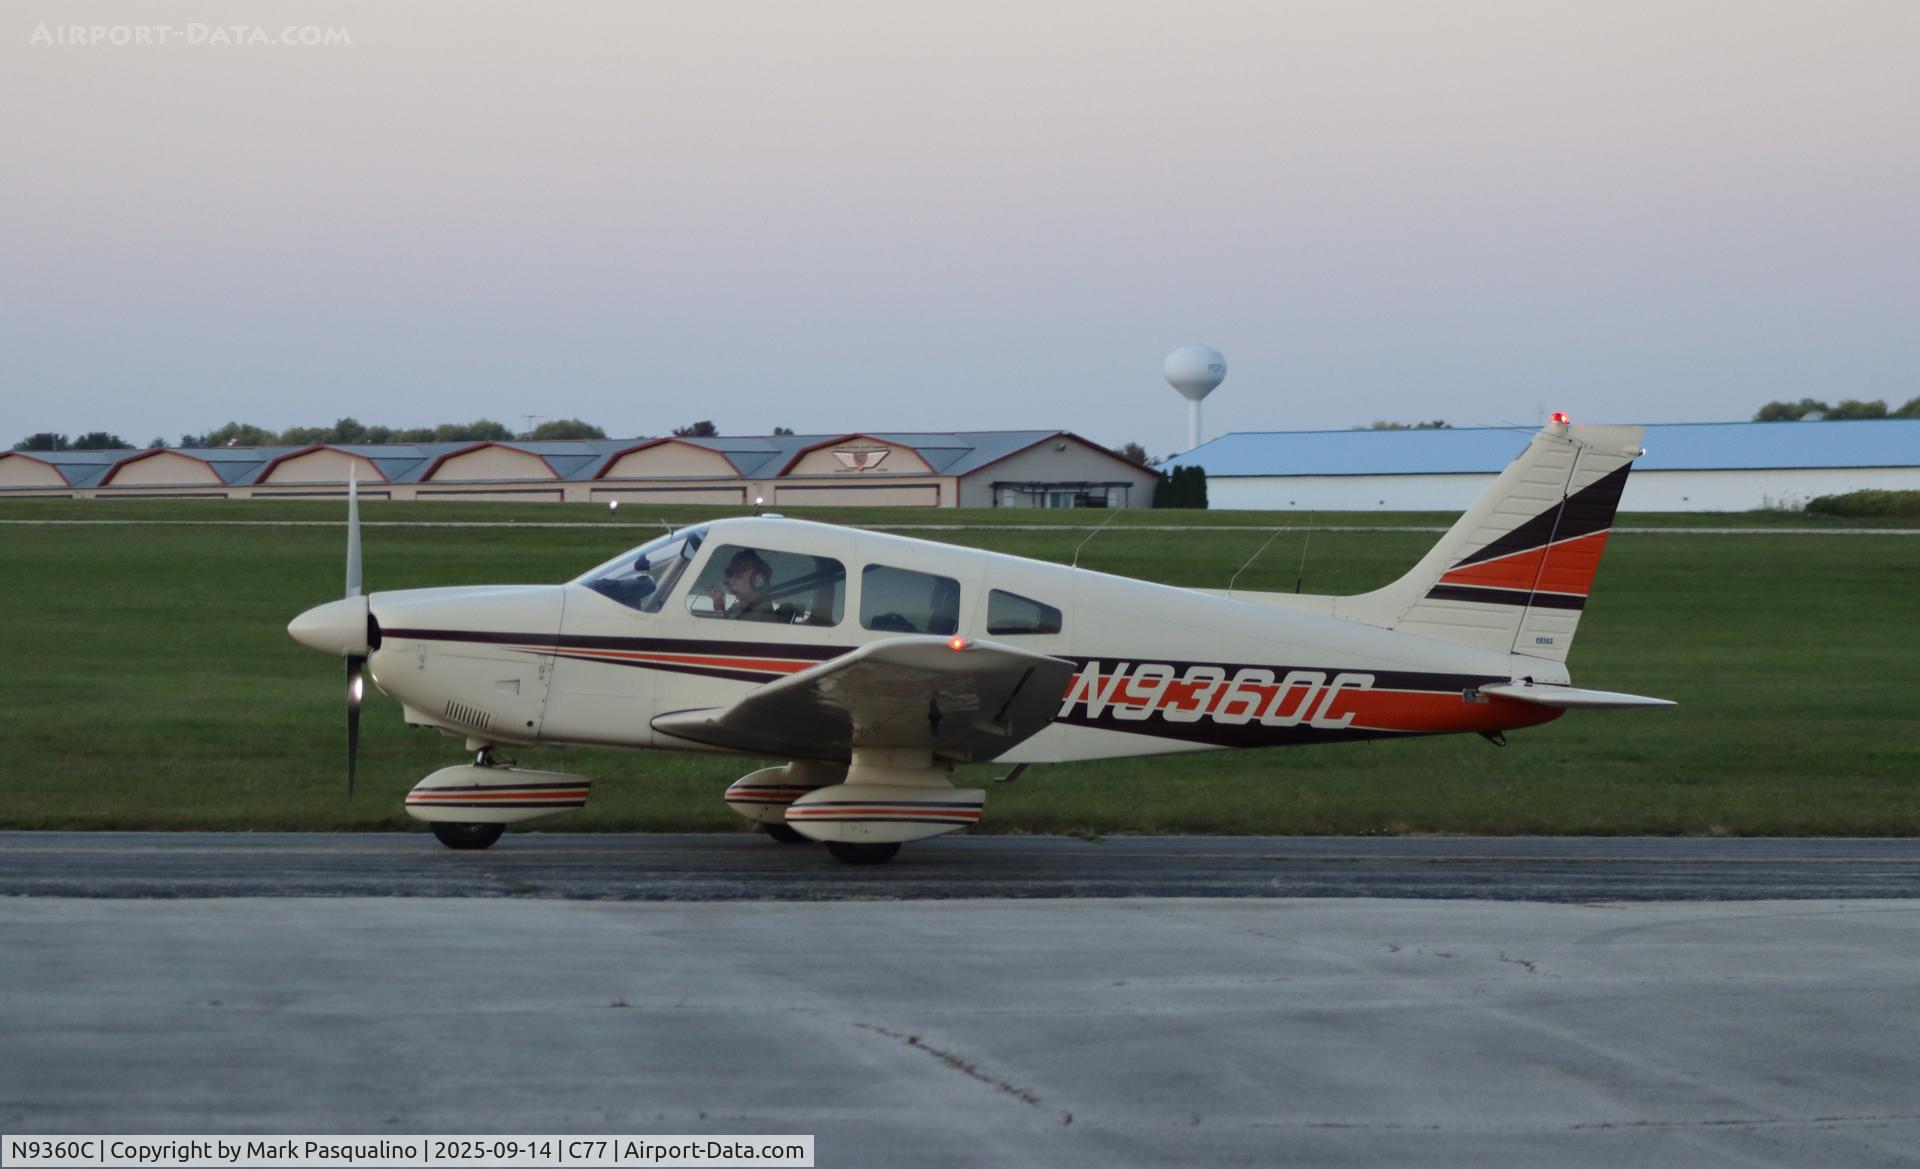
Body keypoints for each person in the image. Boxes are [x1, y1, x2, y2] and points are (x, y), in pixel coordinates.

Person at [707, 548, 789, 622]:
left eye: (739, 575)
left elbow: (723, 635)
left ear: (758, 580)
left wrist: (719, 607)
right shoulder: (739, 607)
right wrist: (718, 603)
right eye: (729, 574)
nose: (731, 580)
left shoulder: (763, 616)